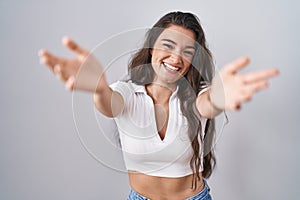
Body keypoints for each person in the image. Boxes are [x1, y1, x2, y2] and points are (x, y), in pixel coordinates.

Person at [39, 11, 279, 200]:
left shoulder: (198, 95)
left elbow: (208, 104)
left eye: (187, 51)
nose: (176, 58)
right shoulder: (127, 92)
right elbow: (109, 104)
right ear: (152, 46)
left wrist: (219, 96)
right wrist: (99, 88)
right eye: (168, 46)